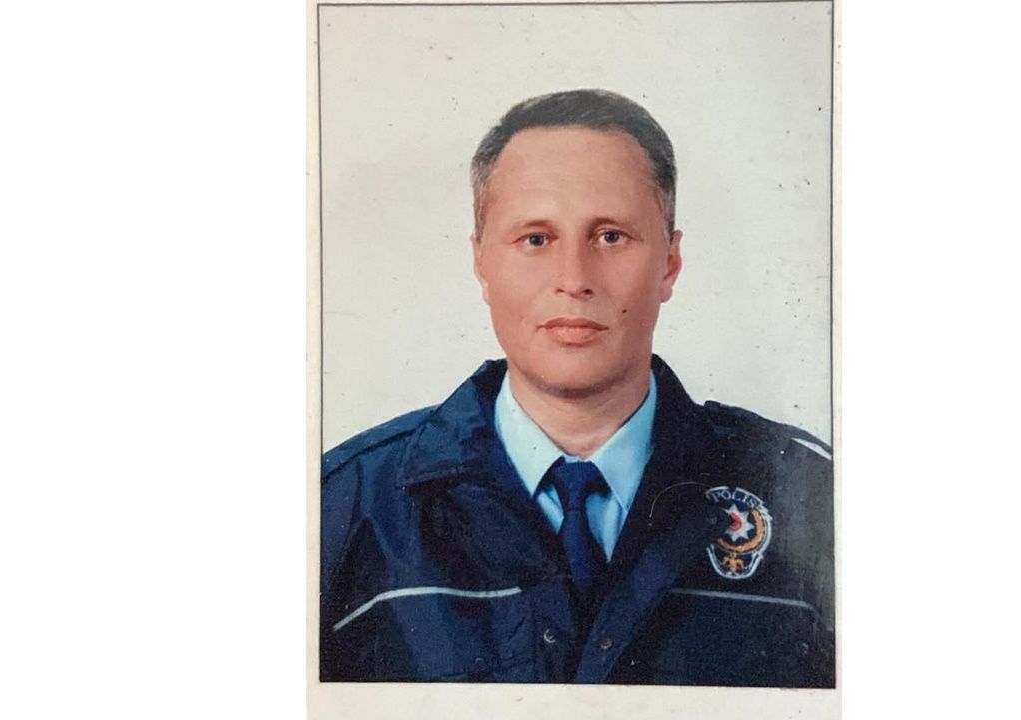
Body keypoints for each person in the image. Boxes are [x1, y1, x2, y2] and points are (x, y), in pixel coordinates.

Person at [320, 89, 834, 686]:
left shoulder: (811, 496)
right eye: (536, 239)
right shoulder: (344, 506)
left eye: (610, 236)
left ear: (669, 263)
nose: (574, 279)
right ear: (481, 262)